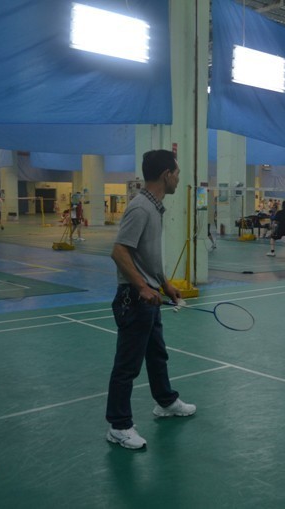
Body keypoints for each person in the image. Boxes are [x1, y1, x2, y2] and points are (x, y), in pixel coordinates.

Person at [105, 149, 195, 450]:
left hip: (150, 297)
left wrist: (165, 284)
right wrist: (143, 286)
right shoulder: (141, 208)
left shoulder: (154, 208)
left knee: (157, 355)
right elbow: (119, 251)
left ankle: (166, 402)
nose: (178, 179)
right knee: (127, 366)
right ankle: (118, 426)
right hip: (135, 298)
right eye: (177, 173)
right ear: (166, 175)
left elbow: (146, 256)